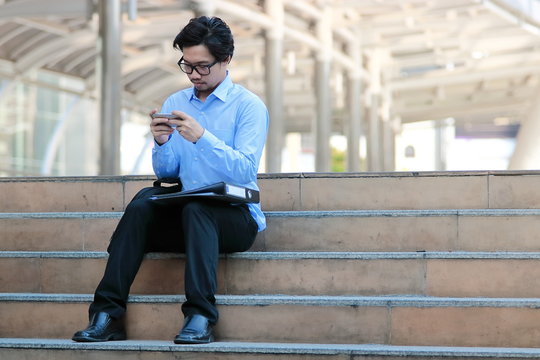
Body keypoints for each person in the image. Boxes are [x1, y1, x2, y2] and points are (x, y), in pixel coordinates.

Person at [72, 16, 268, 344]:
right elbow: (167, 174)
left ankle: (200, 315)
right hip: (186, 214)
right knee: (143, 203)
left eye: (203, 66)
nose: (193, 74)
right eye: (187, 65)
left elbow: (244, 171)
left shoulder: (249, 107)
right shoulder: (175, 102)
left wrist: (202, 137)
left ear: (226, 60)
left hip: (233, 217)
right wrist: (162, 143)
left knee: (198, 209)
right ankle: (106, 314)